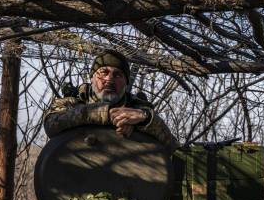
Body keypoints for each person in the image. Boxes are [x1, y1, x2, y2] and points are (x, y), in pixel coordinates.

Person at [43, 49, 177, 151]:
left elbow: (172, 146)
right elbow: (51, 125)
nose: (109, 79)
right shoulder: (72, 102)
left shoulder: (138, 109)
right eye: (104, 72)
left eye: (118, 75)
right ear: (92, 78)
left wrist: (146, 120)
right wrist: (103, 114)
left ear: (126, 83)